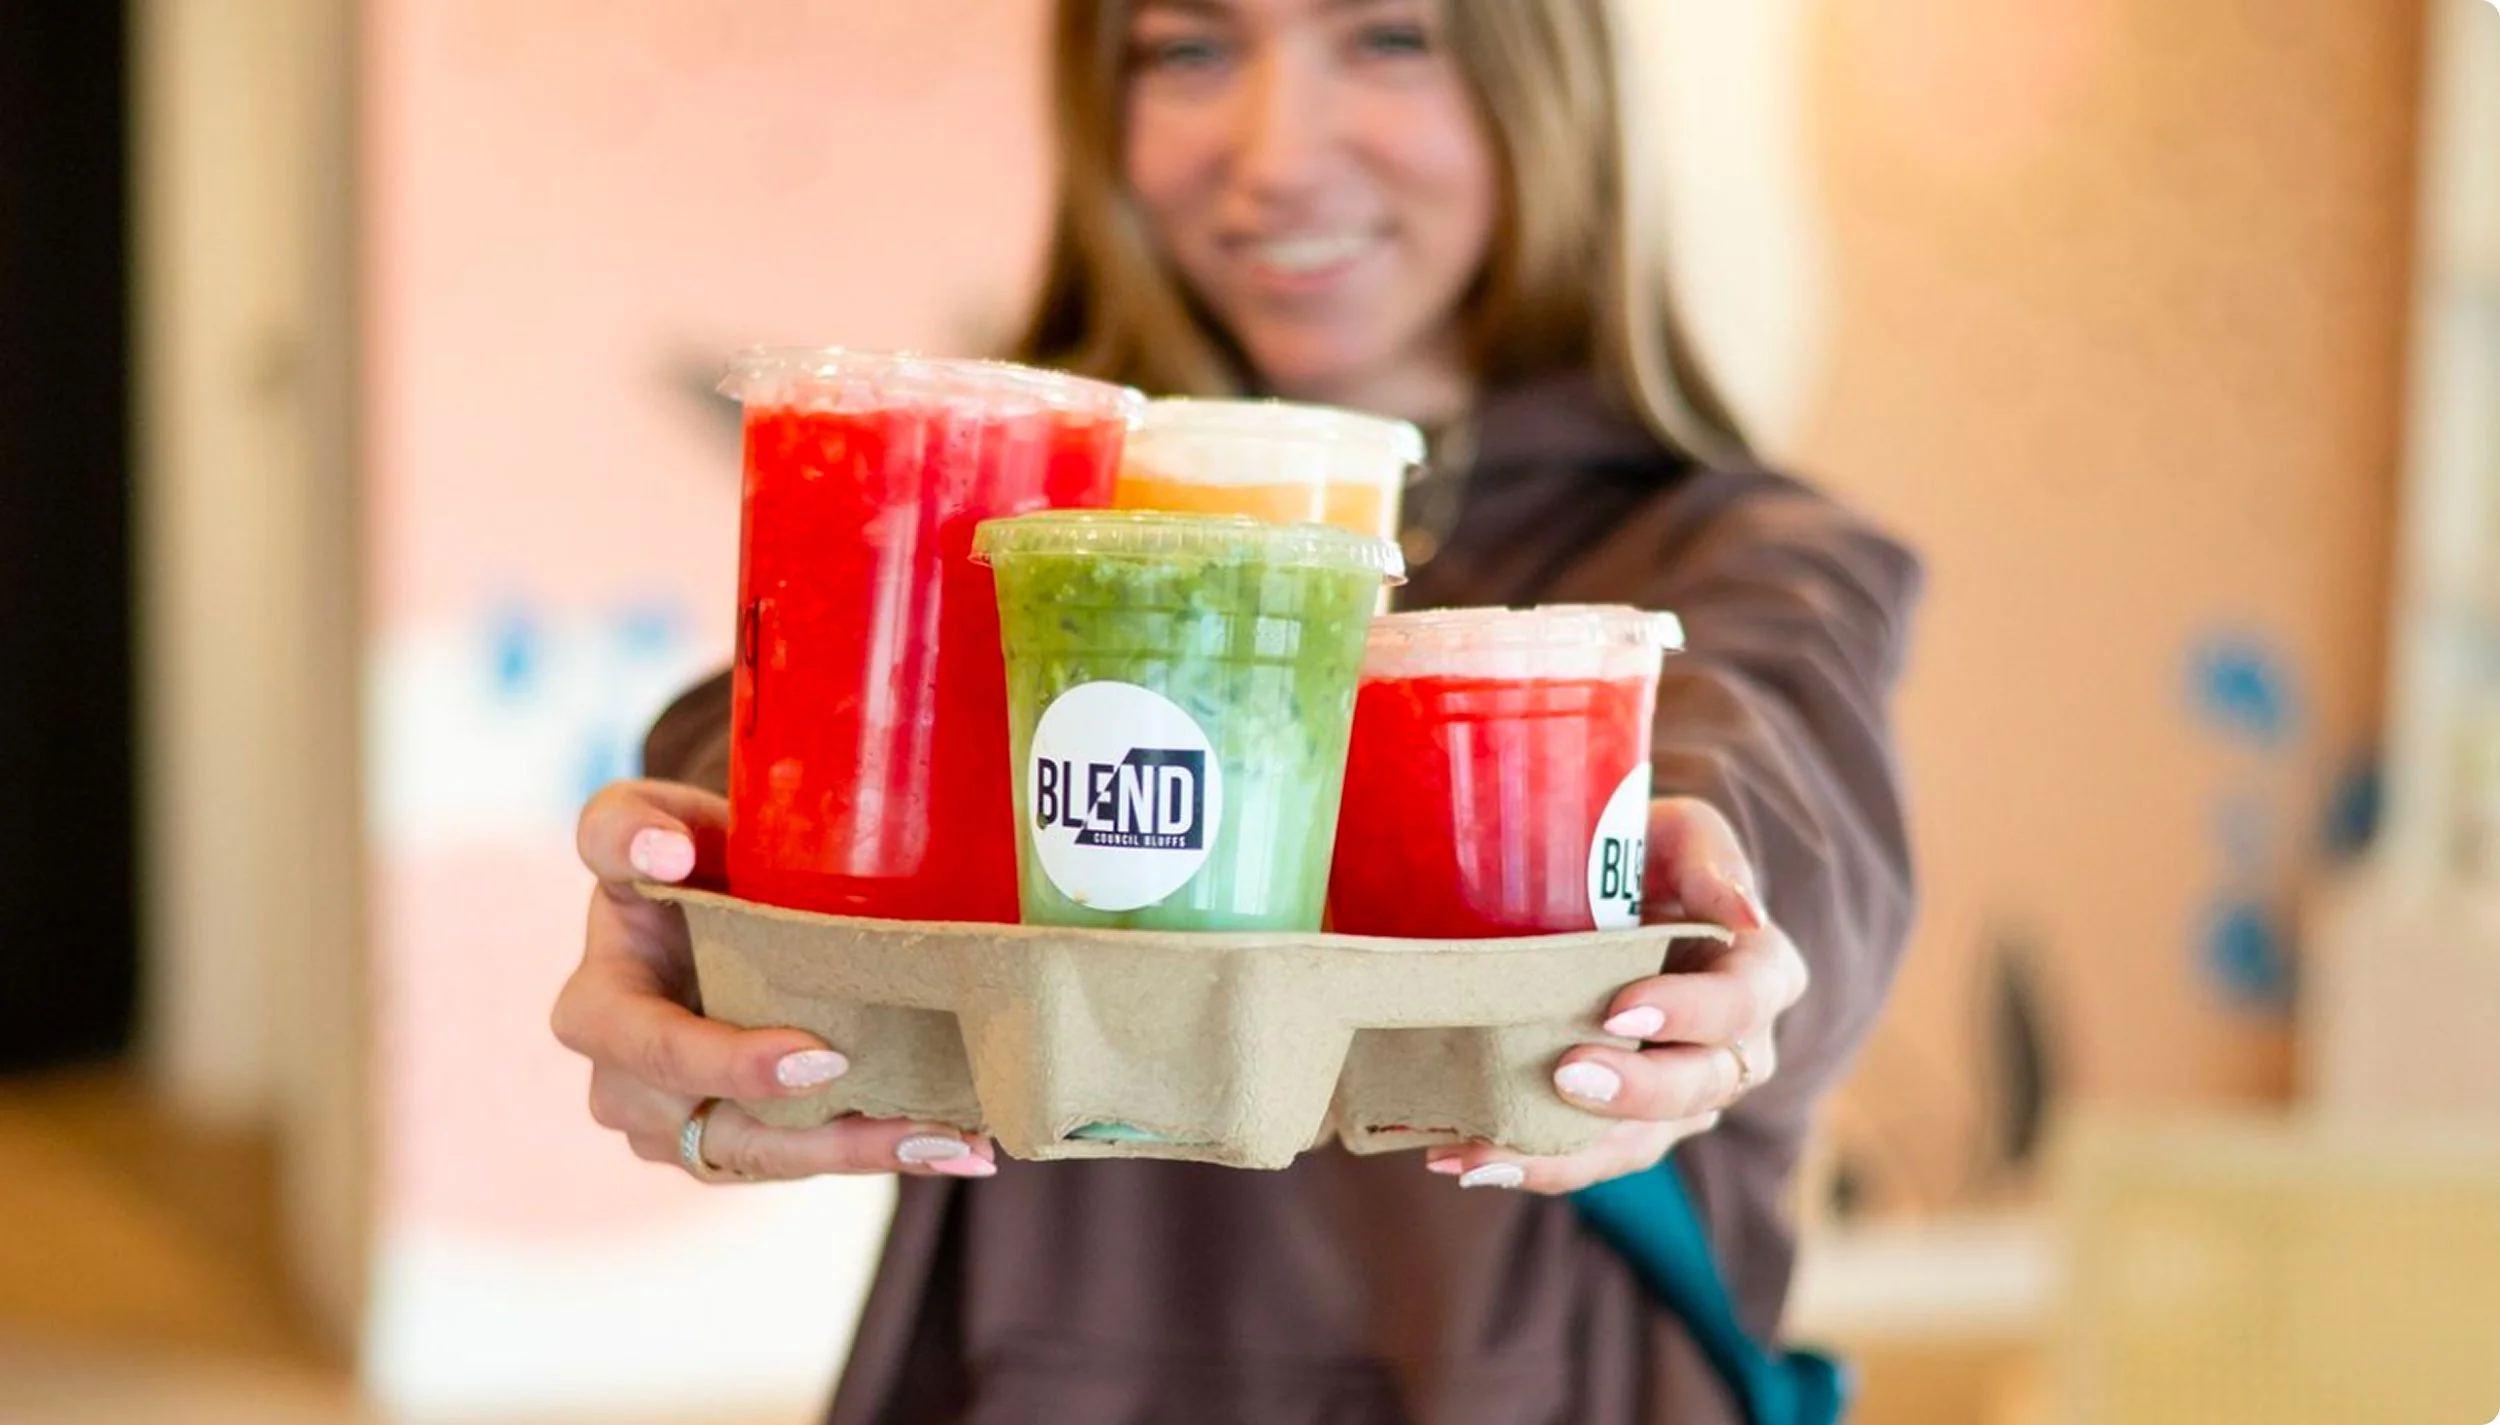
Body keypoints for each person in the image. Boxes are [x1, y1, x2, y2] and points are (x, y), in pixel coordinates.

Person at [553, 0, 1920, 1420]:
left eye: (1390, 39)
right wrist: (720, 885)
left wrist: (1687, 882)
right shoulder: (1031, 533)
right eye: (1188, 51)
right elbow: (787, 719)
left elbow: (1778, 801)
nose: (1276, 154)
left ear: (1546, 77)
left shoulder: (1744, 562)